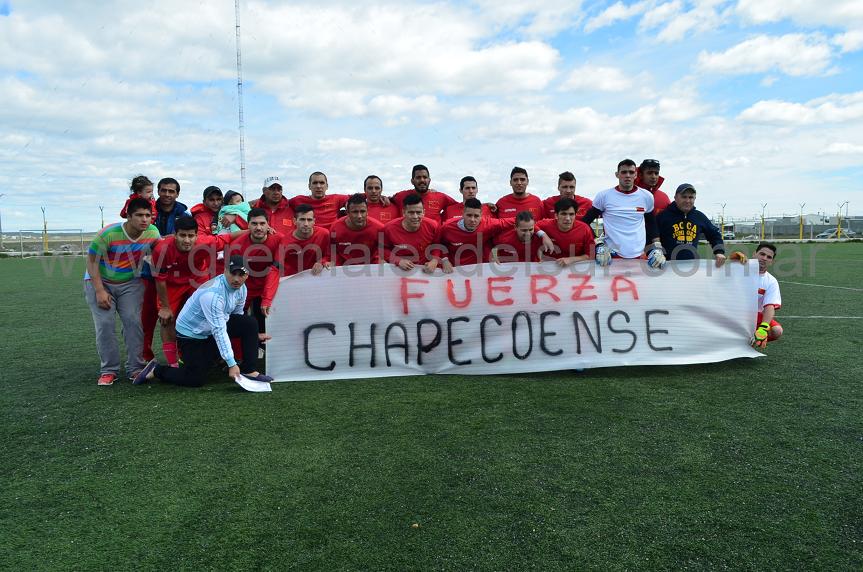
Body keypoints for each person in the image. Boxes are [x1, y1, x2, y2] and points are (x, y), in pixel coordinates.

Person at [134, 255, 273, 387]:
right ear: (225, 271)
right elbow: (219, 330)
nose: (236, 279)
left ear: (247, 276)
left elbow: (237, 318)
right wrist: (231, 363)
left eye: (241, 275)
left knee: (249, 323)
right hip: (191, 335)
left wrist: (252, 336)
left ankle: (249, 370)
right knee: (195, 379)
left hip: (210, 329)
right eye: (233, 273)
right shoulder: (212, 295)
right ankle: (156, 370)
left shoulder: (242, 288)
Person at [84, 197, 161, 385]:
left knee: (134, 322)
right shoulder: (108, 234)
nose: (145, 219)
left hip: (130, 283)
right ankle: (109, 370)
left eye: (148, 215)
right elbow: (91, 262)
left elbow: (156, 254)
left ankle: (136, 368)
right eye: (139, 215)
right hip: (100, 281)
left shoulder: (152, 232)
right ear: (128, 216)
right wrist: (100, 291)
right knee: (105, 325)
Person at [150, 216, 237, 368]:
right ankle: (173, 363)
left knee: (208, 314)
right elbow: (160, 279)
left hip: (197, 279)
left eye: (191, 236)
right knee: (167, 319)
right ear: (175, 234)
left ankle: (209, 355)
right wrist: (164, 306)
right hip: (171, 283)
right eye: (182, 235)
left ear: (197, 236)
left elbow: (230, 237)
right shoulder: (161, 249)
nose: (187, 240)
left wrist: (254, 230)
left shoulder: (205, 242)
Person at [581, 159, 664, 268]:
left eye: (631, 172)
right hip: (611, 256)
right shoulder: (604, 196)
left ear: (636, 175)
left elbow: (651, 223)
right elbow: (585, 223)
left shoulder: (646, 196)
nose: (627, 175)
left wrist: (658, 248)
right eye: (624, 172)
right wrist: (599, 243)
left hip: (639, 256)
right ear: (617, 174)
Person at [436, 198, 553, 269]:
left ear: (481, 215)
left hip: (480, 268)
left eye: (476, 216)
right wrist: (445, 260)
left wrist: (542, 234)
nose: (472, 219)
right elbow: (438, 243)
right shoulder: (447, 227)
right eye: (469, 215)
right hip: (454, 269)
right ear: (463, 214)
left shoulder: (489, 224)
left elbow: (523, 221)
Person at [224, 208, 283, 342]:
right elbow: (231, 273)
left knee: (264, 316)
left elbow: (279, 267)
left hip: (268, 284)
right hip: (245, 286)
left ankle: (264, 347)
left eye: (262, 224)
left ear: (268, 225)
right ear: (248, 225)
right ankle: (237, 351)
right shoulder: (237, 245)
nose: (258, 227)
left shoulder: (279, 239)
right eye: (254, 224)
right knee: (238, 318)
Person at [657, 183, 728, 265]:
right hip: (667, 268)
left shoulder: (699, 217)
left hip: (692, 268)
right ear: (675, 198)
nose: (687, 201)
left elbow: (714, 234)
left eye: (691, 197)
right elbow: (651, 237)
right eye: (684, 197)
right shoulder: (663, 216)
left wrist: (719, 252)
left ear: (695, 199)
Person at [382, 193, 442, 272]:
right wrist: (398, 261)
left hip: (425, 269)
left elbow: (437, 245)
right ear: (403, 212)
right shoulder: (389, 228)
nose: (415, 216)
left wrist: (434, 260)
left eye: (418, 212)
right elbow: (382, 249)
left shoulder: (433, 226)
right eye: (411, 212)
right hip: (400, 269)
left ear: (423, 212)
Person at [330, 194, 385, 265]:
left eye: (362, 211)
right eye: (355, 212)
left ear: (367, 211)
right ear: (347, 213)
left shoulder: (379, 228)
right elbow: (331, 253)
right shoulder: (335, 228)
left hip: (371, 267)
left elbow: (386, 251)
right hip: (344, 269)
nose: (359, 216)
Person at [537, 198, 595, 266]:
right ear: (556, 215)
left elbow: (591, 255)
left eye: (571, 214)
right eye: (563, 214)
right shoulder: (545, 224)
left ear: (575, 215)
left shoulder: (585, 229)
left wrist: (571, 259)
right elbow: (530, 226)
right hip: (548, 269)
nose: (567, 218)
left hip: (575, 270)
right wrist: (543, 235)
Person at [391, 164, 458, 222]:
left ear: (429, 180)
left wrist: (444, 220)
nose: (422, 180)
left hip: (433, 236)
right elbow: (386, 201)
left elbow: (459, 207)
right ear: (412, 181)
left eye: (425, 177)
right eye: (418, 177)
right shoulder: (400, 196)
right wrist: (384, 198)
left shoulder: (441, 197)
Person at [280, 204, 332, 276]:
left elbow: (330, 255)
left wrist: (322, 262)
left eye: (309, 220)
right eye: (302, 219)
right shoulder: (285, 242)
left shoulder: (324, 234)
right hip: (293, 280)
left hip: (317, 277)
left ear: (314, 221)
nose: (306, 224)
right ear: (294, 221)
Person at [751, 242, 783, 349]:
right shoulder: (738, 270)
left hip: (755, 317)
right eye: (762, 254)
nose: (764, 258)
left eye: (769, 257)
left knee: (777, 331)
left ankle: (751, 341)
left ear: (772, 261)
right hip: (734, 314)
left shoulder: (771, 281)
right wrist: (730, 261)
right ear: (754, 254)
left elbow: (769, 306)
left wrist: (763, 328)